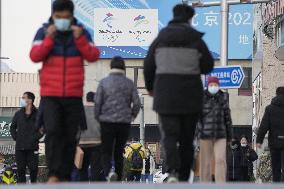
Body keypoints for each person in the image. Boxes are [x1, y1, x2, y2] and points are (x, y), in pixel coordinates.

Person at [29, 0, 100, 183]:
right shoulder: (43, 31)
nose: (62, 20)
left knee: (70, 136)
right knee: (52, 132)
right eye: (58, 17)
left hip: (73, 94)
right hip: (50, 94)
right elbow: (35, 56)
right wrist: (49, 38)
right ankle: (54, 174)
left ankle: (66, 175)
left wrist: (80, 39)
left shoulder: (81, 31)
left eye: (66, 17)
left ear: (71, 16)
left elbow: (93, 55)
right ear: (53, 16)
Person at [143, 4, 214, 182]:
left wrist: (151, 88)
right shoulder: (196, 40)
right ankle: (183, 177)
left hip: (165, 97)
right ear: (190, 19)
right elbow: (208, 66)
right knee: (187, 139)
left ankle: (172, 171)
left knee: (169, 136)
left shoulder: (160, 39)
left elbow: (148, 66)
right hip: (190, 98)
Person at [95, 56, 141, 182]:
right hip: (123, 122)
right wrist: (131, 116)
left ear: (111, 67)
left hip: (106, 122)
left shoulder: (104, 82)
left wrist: (98, 117)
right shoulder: (129, 83)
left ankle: (109, 173)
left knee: (106, 151)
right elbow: (137, 103)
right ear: (123, 67)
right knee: (119, 151)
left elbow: (97, 102)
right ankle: (118, 179)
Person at [197, 77, 232, 183]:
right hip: (205, 134)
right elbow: (198, 118)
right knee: (205, 161)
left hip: (220, 135)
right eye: (211, 85)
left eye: (215, 85)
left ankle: (220, 184)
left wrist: (229, 136)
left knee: (220, 160)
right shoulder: (201, 97)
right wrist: (197, 135)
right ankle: (205, 183)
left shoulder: (223, 97)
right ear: (208, 85)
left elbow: (227, 119)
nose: (213, 87)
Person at [10, 92, 43, 183]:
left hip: (33, 148)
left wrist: (36, 137)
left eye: (23, 97)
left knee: (33, 169)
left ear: (30, 100)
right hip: (20, 148)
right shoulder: (18, 114)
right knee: (20, 170)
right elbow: (12, 127)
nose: (22, 99)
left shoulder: (38, 113)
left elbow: (43, 128)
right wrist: (16, 137)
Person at [257, 87, 284, 182]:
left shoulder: (269, 109)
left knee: (276, 169)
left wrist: (259, 140)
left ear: (276, 94)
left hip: (274, 143)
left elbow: (264, 125)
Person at [78, 92, 103, 182]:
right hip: (97, 143)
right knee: (95, 169)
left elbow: (76, 126)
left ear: (86, 98)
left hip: (82, 143)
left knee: (82, 168)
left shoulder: (80, 109)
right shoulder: (100, 110)